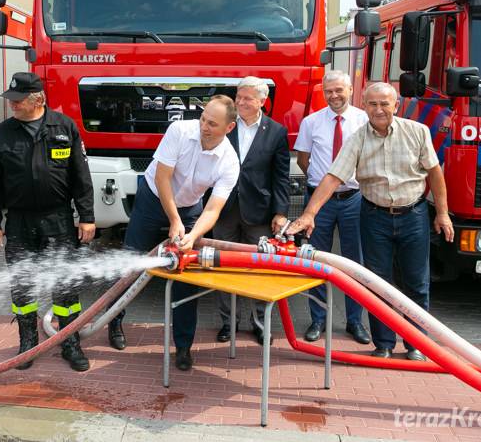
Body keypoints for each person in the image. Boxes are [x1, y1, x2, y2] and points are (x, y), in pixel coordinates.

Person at [287, 82, 454, 361]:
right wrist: (309, 214)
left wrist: (442, 213)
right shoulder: (357, 139)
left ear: (396, 106)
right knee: (377, 282)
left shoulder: (417, 131)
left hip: (413, 216)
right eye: (373, 104)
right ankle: (384, 344)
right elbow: (333, 177)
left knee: (416, 282)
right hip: (374, 217)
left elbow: (435, 174)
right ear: (364, 106)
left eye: (384, 104)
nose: (379, 110)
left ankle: (417, 344)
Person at [0, 72, 96, 372]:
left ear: (38, 100)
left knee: (65, 286)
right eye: (11, 100)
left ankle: (70, 343)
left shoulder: (64, 127)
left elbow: (81, 177)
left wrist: (86, 217)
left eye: (18, 101)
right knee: (22, 286)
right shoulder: (4, 132)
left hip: (58, 219)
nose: (13, 105)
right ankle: (28, 344)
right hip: (19, 222)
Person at [120, 95, 240, 371]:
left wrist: (192, 235)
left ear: (229, 128)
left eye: (212, 124)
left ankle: (183, 346)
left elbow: (213, 209)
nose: (204, 127)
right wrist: (174, 220)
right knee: (131, 260)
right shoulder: (179, 131)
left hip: (190, 207)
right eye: (203, 119)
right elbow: (162, 177)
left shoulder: (230, 162)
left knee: (187, 274)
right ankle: (114, 322)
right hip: (153, 198)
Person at [293, 71, 371, 346]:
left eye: (339, 90)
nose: (334, 95)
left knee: (354, 262)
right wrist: (322, 186)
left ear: (350, 89)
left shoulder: (364, 120)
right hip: (319, 201)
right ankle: (318, 319)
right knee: (316, 259)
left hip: (354, 199)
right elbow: (303, 160)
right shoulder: (311, 122)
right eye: (329, 91)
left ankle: (354, 321)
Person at [213, 77, 290, 346]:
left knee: (260, 269)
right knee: (223, 267)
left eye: (247, 98)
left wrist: (280, 212)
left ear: (262, 101)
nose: (241, 102)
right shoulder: (225, 124)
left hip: (259, 212)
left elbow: (280, 176)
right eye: (238, 96)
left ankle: (260, 324)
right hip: (223, 209)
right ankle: (228, 323)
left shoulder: (276, 132)